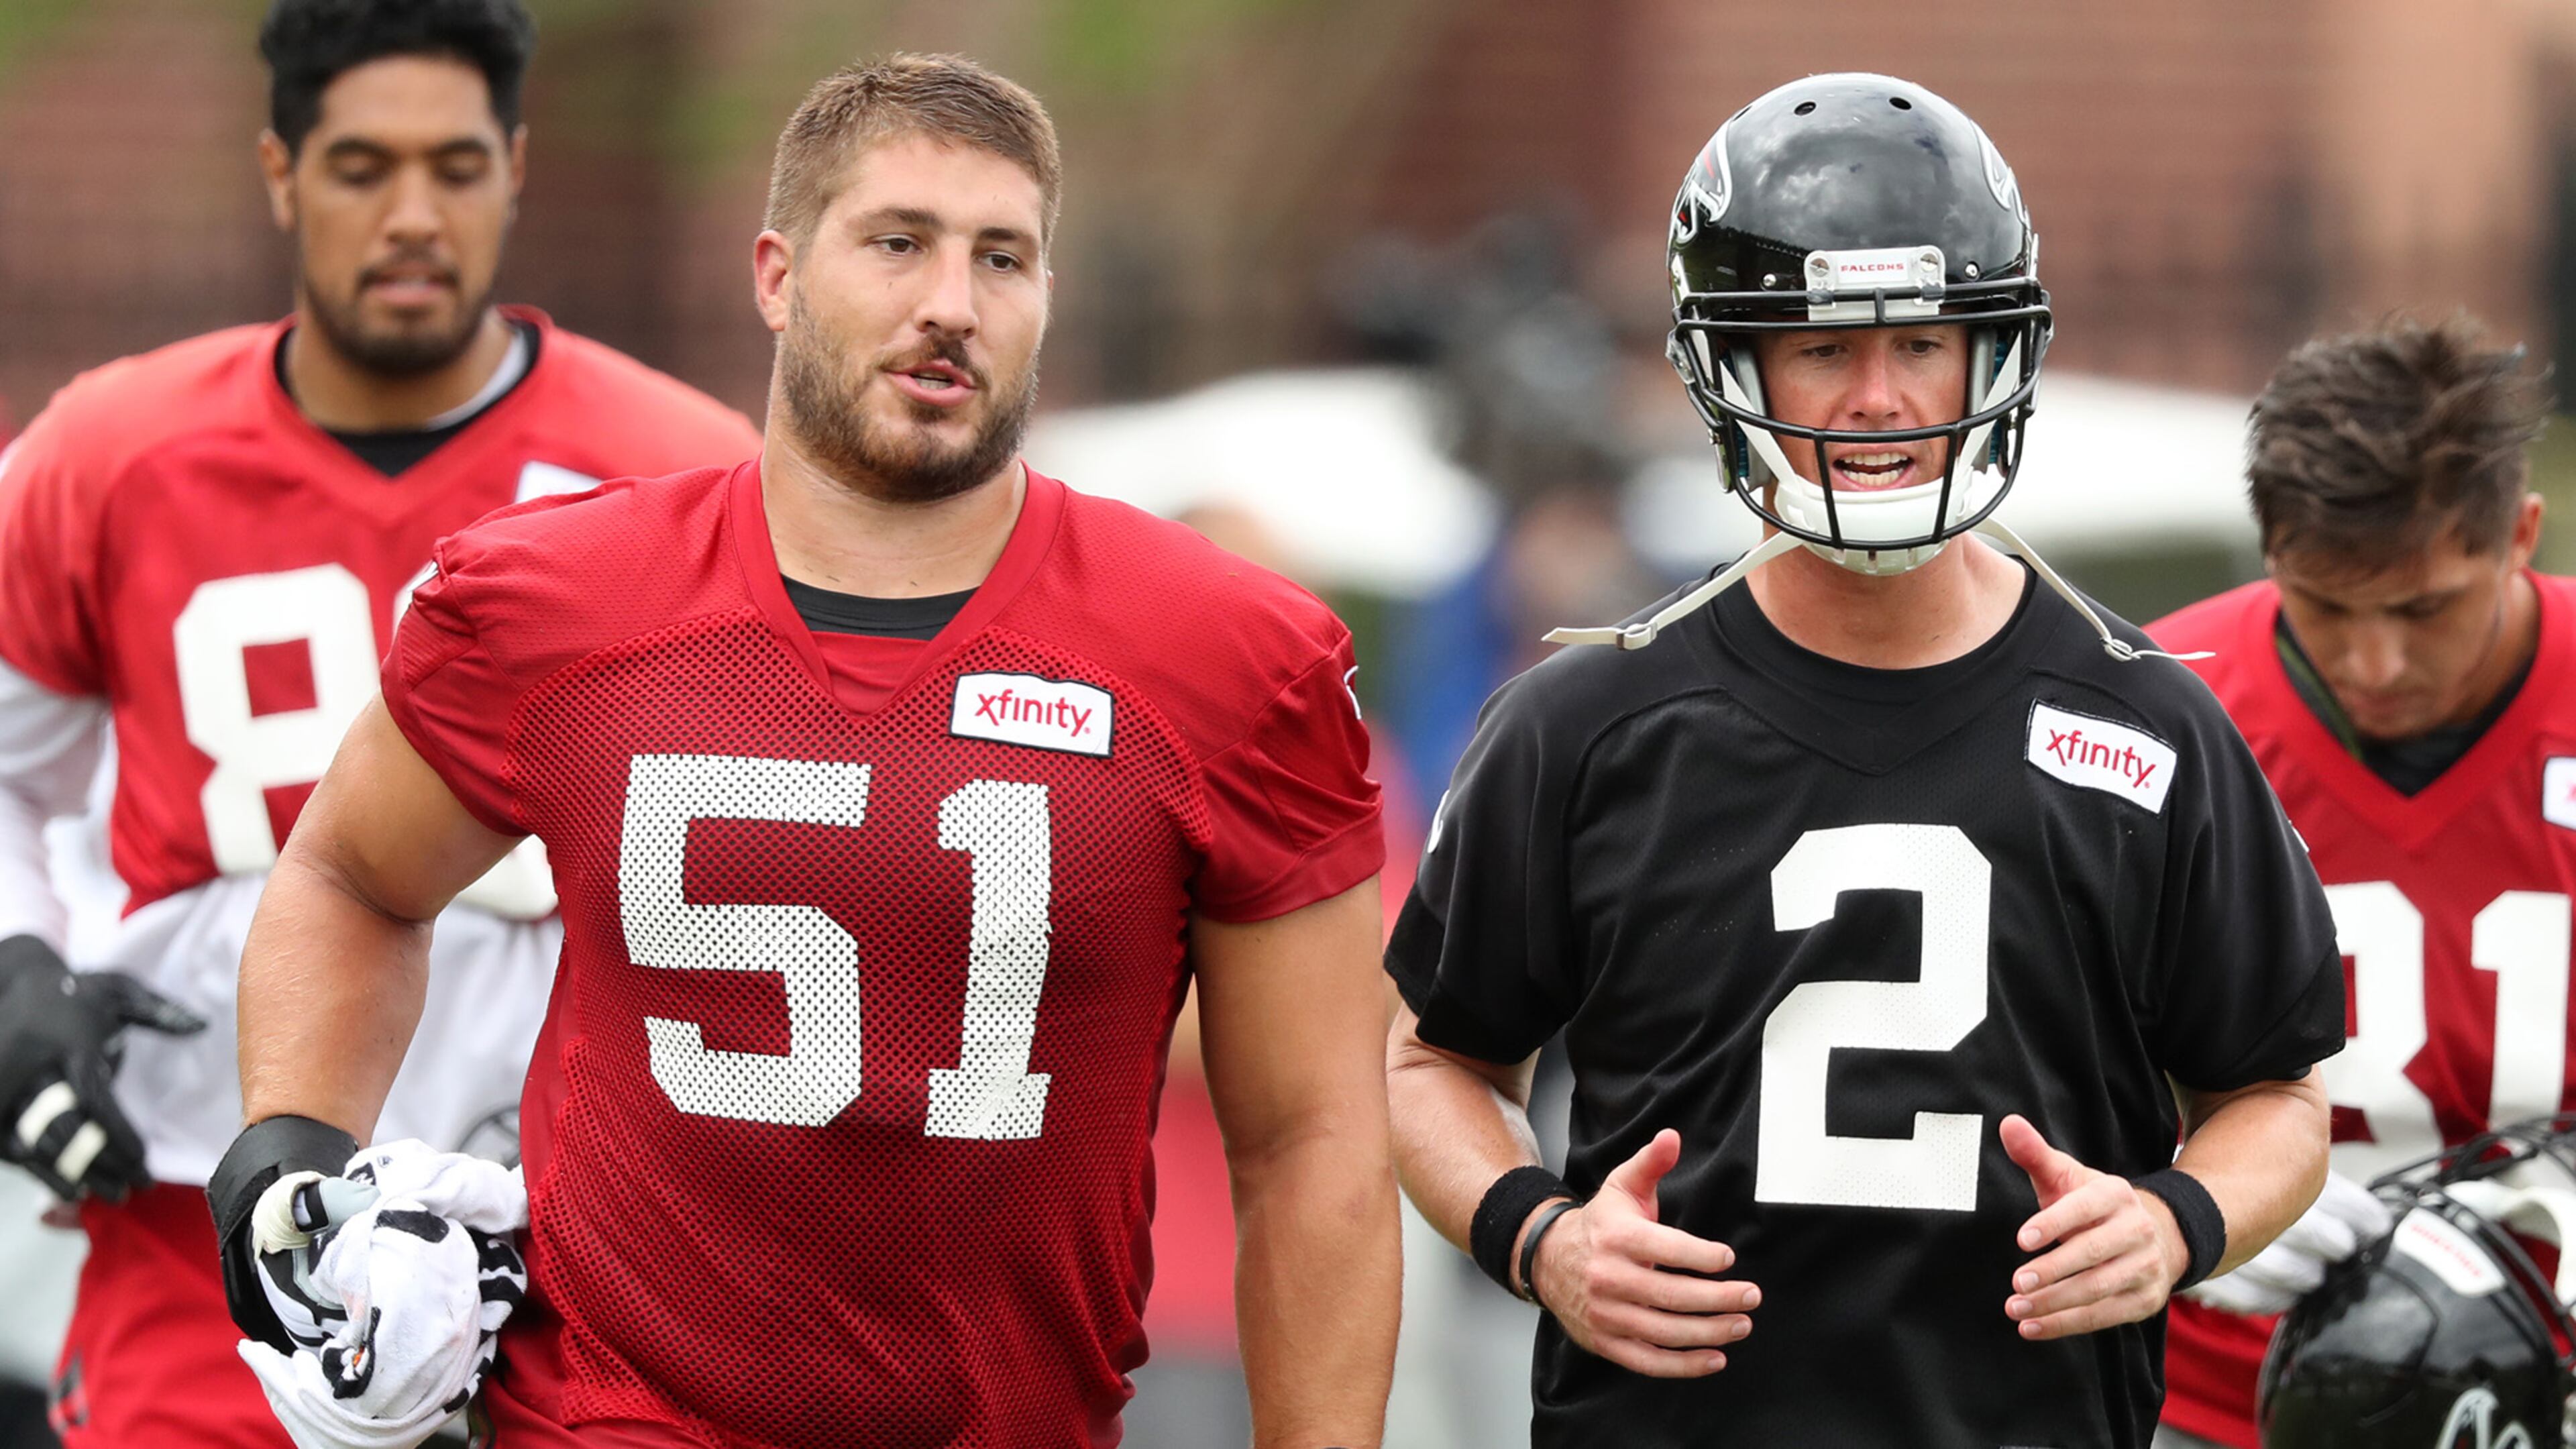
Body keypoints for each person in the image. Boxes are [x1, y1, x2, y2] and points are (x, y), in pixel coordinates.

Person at [214, 52, 1401, 1449]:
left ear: (1045, 298)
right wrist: (290, 1132)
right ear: (777, 274)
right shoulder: (556, 602)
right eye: (896, 242)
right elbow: (352, 875)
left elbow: (1312, 1141)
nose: (949, 303)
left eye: (1001, 258)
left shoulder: (1225, 656)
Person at [1381, 71, 2346, 1449]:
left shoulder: (2148, 725)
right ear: (1735, 369)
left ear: (1991, 353)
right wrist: (1539, 1238)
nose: (1880, 399)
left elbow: (2277, 1094)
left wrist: (2176, 1223)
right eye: (1821, 350)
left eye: (1923, 341)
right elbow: (1433, 1065)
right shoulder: (1581, 722)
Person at [0, 1, 760, 1442]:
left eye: (456, 167)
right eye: (362, 169)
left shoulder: (680, 476)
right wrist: (15, 964)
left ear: (517, 167)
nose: (413, 215)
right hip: (210, 1211)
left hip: (572, 1231)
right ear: (281, 173)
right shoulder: (107, 454)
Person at [2149, 317, 2567, 1449]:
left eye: (2425, 607)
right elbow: (2024, 1068)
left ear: (2519, 534)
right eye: (2324, 605)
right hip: (2214, 1402)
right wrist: (2186, 1200)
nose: (2372, 664)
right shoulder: (2151, 712)